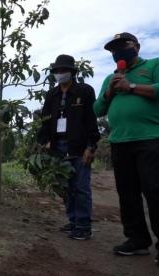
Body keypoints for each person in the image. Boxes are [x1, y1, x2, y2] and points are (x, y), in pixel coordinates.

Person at [93, 32, 159, 265]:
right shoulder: (110, 78)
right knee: (127, 193)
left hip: (150, 139)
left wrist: (130, 86)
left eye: (123, 46)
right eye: (113, 50)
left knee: (154, 190)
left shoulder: (153, 65)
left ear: (137, 46)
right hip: (120, 142)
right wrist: (111, 90)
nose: (118, 52)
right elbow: (97, 109)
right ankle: (137, 240)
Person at [38, 54, 100, 240]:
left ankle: (83, 225)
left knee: (81, 187)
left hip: (79, 147)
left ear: (72, 72)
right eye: (57, 71)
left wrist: (91, 146)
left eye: (63, 70)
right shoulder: (52, 94)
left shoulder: (85, 91)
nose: (60, 73)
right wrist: (44, 141)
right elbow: (45, 121)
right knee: (65, 186)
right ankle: (73, 220)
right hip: (58, 147)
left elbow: (91, 120)